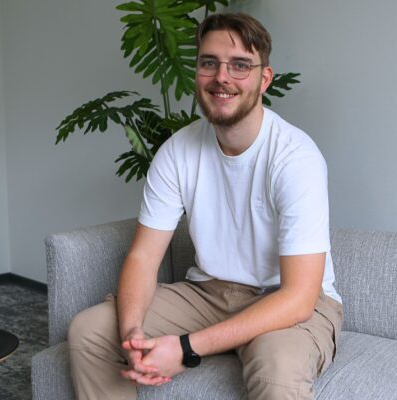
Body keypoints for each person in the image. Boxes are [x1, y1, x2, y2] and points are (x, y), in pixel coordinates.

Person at [67, 12, 343, 400]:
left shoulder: (295, 158)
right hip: (209, 294)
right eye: (208, 63)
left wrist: (186, 347)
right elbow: (144, 258)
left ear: (264, 79)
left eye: (240, 65)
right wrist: (133, 334)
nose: (221, 78)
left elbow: (299, 297)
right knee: (90, 331)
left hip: (285, 302)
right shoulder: (177, 151)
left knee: (277, 371)